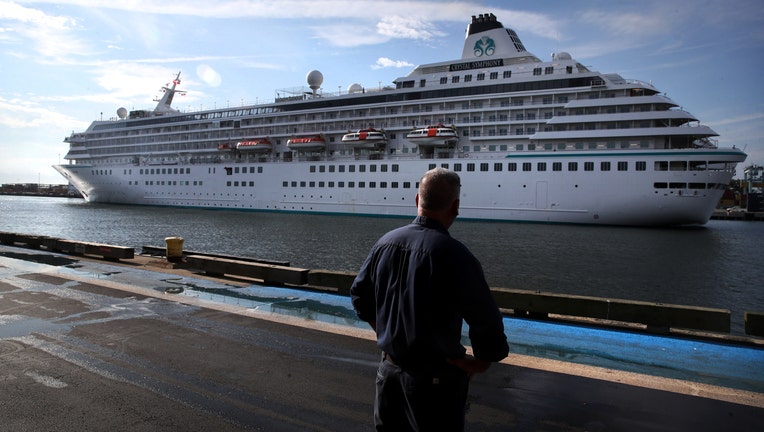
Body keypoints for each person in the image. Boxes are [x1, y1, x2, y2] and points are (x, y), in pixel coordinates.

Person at [350, 167, 509, 431]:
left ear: (417, 200)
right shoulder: (456, 255)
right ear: (455, 206)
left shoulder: (385, 243)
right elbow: (486, 319)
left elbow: (359, 295)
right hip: (435, 380)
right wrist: (482, 360)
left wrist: (384, 332)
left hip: (388, 373)